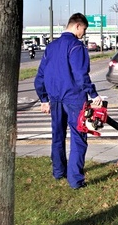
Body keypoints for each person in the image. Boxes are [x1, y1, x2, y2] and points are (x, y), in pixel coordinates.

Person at [34, 13, 102, 189]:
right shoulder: (76, 47)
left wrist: (43, 98)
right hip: (73, 98)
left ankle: (58, 172)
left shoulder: (51, 47)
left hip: (54, 98)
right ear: (77, 26)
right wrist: (93, 94)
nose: (83, 34)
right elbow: (80, 74)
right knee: (78, 138)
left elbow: (40, 75)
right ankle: (75, 180)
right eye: (84, 30)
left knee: (57, 136)